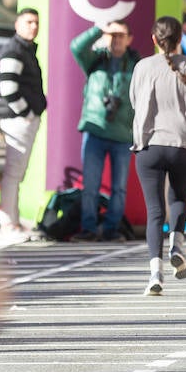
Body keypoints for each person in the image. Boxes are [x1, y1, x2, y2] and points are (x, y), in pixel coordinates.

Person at [131, 16, 186, 295]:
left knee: (154, 210)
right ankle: (177, 245)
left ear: (154, 39)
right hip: (183, 144)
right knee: (178, 198)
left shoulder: (143, 66)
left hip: (150, 143)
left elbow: (135, 101)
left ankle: (155, 274)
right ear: (181, 38)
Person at [70, 20, 139, 242]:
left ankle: (111, 229)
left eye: (121, 35)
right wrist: (99, 29)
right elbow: (76, 47)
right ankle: (89, 228)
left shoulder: (136, 64)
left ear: (129, 39)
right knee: (90, 184)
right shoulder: (96, 60)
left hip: (122, 134)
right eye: (112, 35)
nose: (116, 39)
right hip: (95, 129)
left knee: (119, 187)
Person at [0, 8, 48, 246]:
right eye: (28, 22)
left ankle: (13, 221)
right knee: (13, 174)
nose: (33, 26)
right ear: (17, 24)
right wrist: (26, 112)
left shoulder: (22, 49)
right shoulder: (14, 50)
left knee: (15, 174)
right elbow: (7, 88)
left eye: (36, 22)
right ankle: (7, 224)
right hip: (16, 121)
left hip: (19, 119)